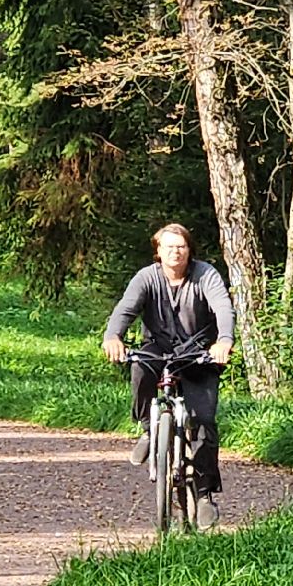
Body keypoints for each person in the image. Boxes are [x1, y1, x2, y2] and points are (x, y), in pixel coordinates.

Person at [102, 223, 234, 527]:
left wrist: (224, 341)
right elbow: (125, 308)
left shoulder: (205, 275)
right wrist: (113, 336)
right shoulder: (147, 277)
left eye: (181, 246)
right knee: (140, 368)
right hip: (158, 348)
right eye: (169, 247)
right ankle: (149, 429)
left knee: (204, 421)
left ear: (189, 250)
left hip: (198, 353)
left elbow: (223, 308)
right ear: (158, 252)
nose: (176, 252)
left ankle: (203, 495)